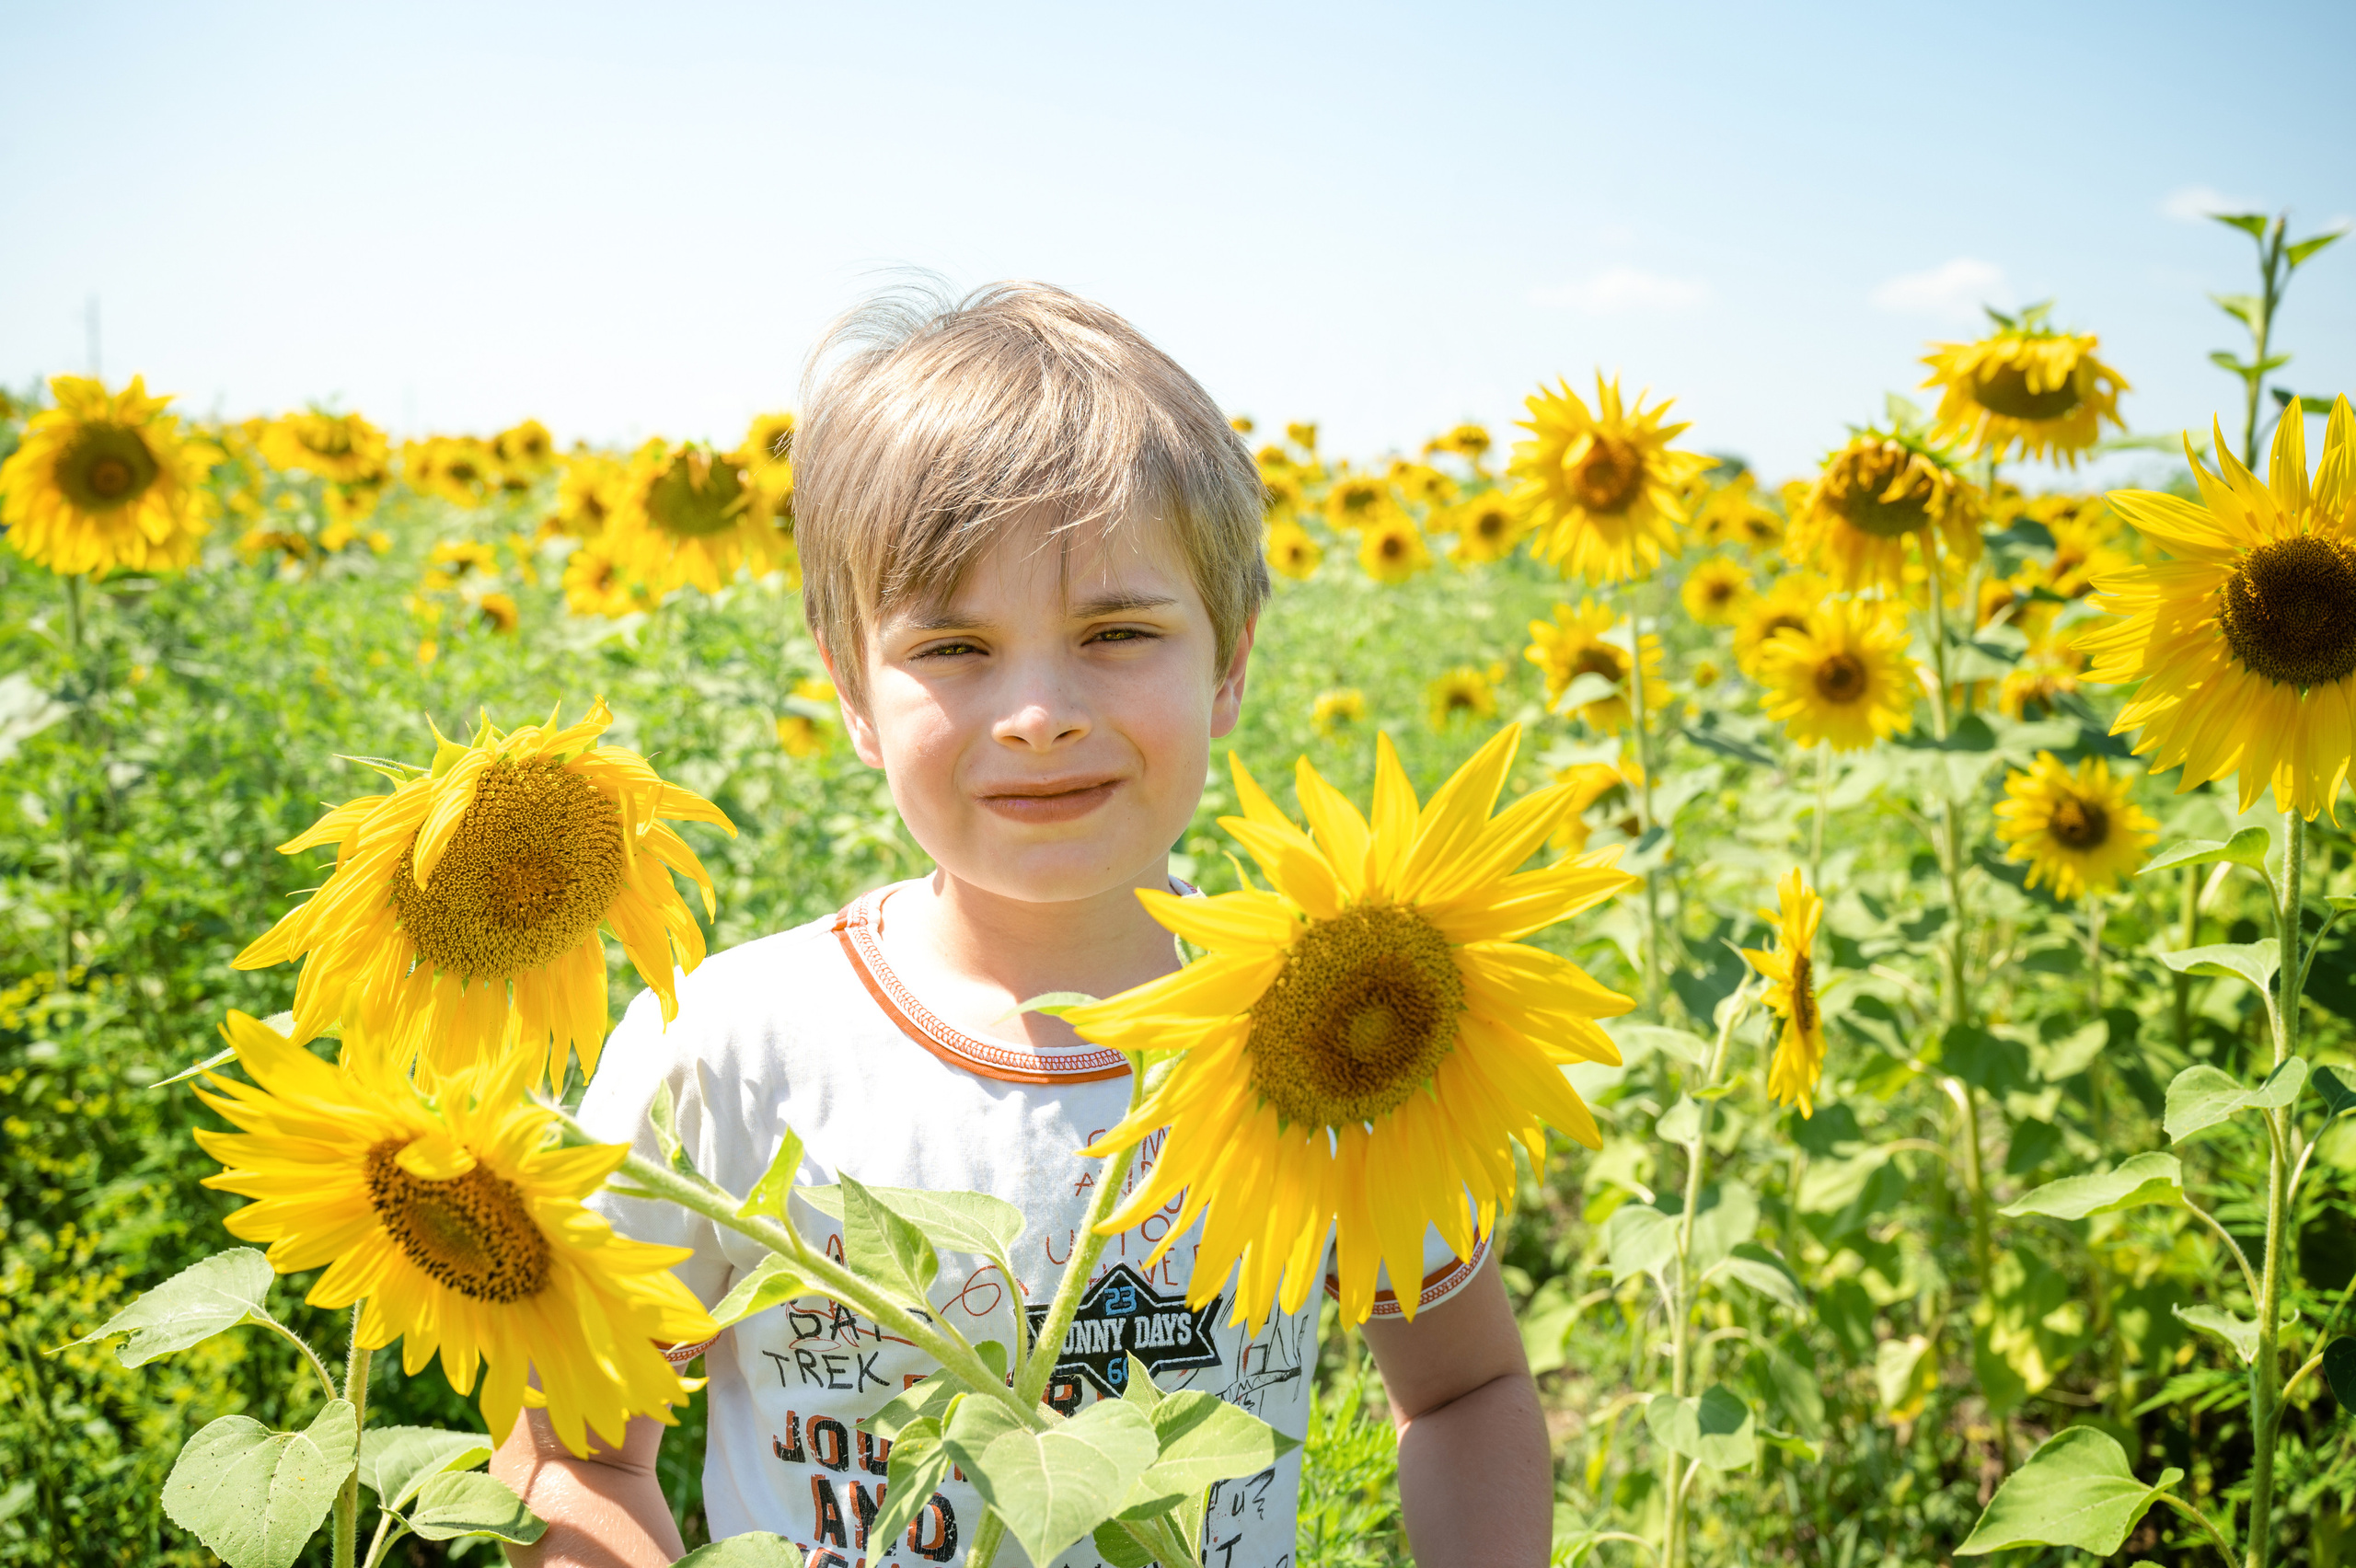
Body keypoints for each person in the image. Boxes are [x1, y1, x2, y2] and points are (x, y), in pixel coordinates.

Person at [491, 281, 1552, 1567]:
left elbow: (1465, 1389)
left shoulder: (1350, 1041)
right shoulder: (732, 1049)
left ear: (1229, 662)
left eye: (1117, 631)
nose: (1039, 713)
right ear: (853, 692)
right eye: (953, 648)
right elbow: (573, 1452)